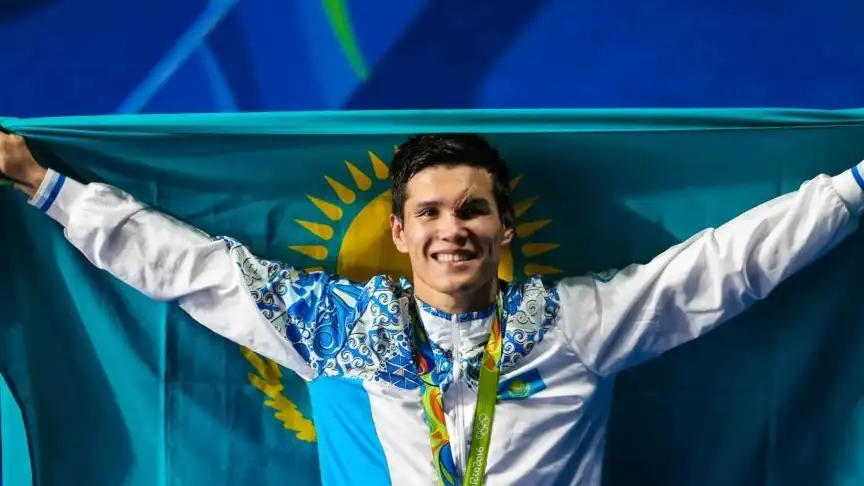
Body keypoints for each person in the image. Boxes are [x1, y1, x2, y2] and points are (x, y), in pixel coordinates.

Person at [1, 131, 862, 486]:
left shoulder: (577, 323)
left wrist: (855, 188)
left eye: (473, 210)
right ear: (400, 231)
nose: (453, 230)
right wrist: (44, 184)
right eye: (432, 213)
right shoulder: (334, 329)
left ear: (505, 227)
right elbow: (192, 269)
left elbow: (726, 268)